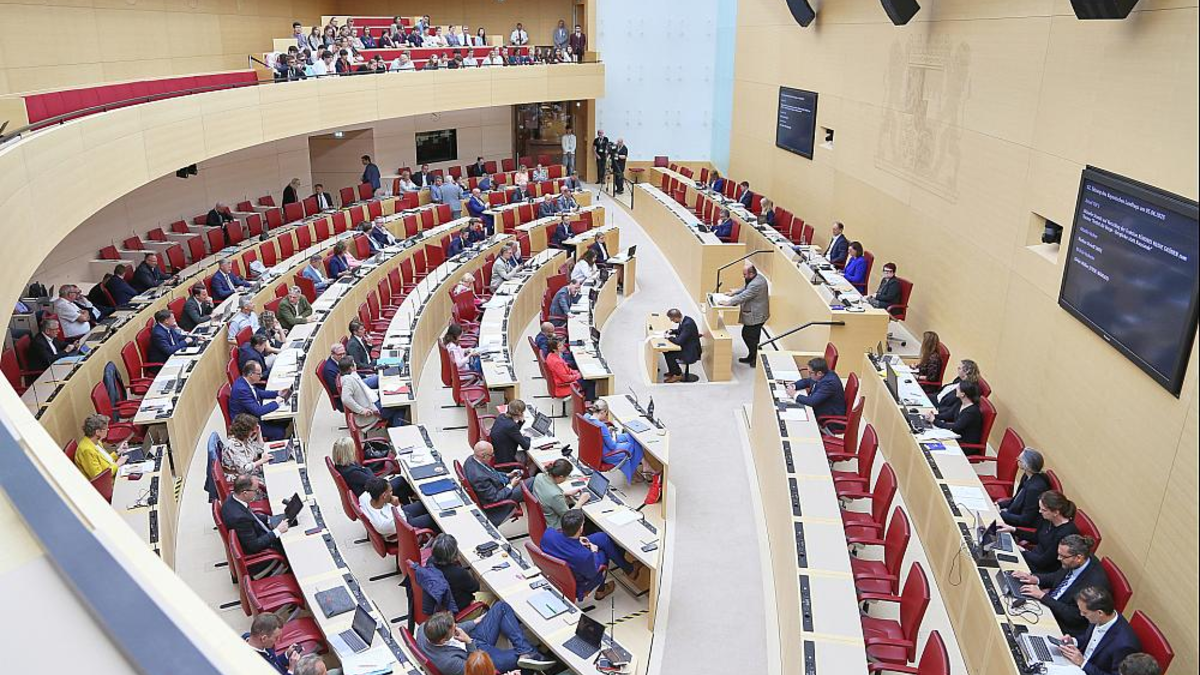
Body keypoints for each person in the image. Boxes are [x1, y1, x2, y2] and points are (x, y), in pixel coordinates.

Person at [1010, 534, 1107, 636]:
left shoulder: (1094, 585)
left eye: (1063, 556)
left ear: (1078, 558)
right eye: (1059, 554)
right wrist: (1035, 578)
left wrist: (1043, 597)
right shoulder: (1077, 561)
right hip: (1050, 605)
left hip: (1062, 625)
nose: (1058, 558)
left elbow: (1076, 617)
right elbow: (1057, 576)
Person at [416, 607, 555, 675]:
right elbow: (476, 668)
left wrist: (474, 622)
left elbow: (455, 628)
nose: (456, 628)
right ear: (442, 641)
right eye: (453, 629)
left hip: (472, 641)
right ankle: (529, 654)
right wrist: (469, 642)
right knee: (529, 652)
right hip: (479, 659)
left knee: (501, 607)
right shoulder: (449, 663)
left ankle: (526, 651)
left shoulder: (424, 628)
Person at [541, 509, 640, 600]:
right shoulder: (585, 556)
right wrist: (594, 552)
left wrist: (577, 539)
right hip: (578, 581)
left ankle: (628, 569)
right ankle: (601, 590)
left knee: (602, 538)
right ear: (581, 528)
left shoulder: (548, 534)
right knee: (603, 554)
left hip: (560, 564)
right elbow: (592, 573)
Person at [999, 490, 1080, 574]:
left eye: (1043, 510)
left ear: (1056, 512)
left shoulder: (1065, 534)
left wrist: (1023, 551)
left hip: (1041, 570)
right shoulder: (1048, 519)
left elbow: (1043, 562)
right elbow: (1036, 537)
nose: (1040, 512)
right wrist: (1013, 529)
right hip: (1033, 556)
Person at [583, 399, 651, 483]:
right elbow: (612, 446)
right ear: (604, 411)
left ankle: (643, 465)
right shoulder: (602, 426)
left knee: (631, 437)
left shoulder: (586, 417)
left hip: (597, 447)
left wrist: (608, 433)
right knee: (632, 445)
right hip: (606, 453)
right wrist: (612, 434)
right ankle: (633, 472)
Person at [420, 533, 488, 616]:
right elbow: (476, 587)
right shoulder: (459, 573)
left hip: (441, 608)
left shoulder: (430, 561)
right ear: (454, 554)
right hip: (460, 612)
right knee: (493, 596)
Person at [463, 441, 525, 526]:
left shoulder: (472, 459)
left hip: (499, 487)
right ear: (483, 456)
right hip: (500, 501)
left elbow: (492, 473)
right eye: (491, 455)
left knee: (526, 482)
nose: (493, 456)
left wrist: (508, 475)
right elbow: (495, 498)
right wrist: (511, 485)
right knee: (531, 482)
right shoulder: (479, 478)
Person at [230, 361, 291, 440]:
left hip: (252, 416)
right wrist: (276, 402)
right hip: (247, 425)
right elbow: (258, 411)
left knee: (284, 421)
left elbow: (259, 393)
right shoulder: (241, 390)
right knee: (279, 432)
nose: (261, 376)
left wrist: (278, 393)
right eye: (259, 374)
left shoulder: (244, 381)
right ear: (251, 375)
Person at [724, 263, 770, 366]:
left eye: (745, 275)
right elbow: (746, 288)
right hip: (758, 314)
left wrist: (729, 302)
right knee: (753, 336)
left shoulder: (756, 284)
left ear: (752, 273)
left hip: (757, 316)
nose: (744, 277)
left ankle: (755, 357)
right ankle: (753, 355)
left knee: (748, 335)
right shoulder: (755, 278)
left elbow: (744, 296)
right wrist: (734, 292)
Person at [359, 476, 436, 536]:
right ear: (384, 496)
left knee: (425, 505)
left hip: (396, 515)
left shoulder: (364, 498)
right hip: (403, 526)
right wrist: (397, 505)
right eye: (390, 491)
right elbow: (403, 523)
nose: (392, 493)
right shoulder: (384, 524)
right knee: (433, 518)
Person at [340, 356, 404, 428]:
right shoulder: (348, 381)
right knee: (400, 405)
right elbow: (345, 399)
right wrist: (362, 410)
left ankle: (393, 425)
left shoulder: (353, 375)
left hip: (374, 401)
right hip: (374, 409)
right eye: (354, 363)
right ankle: (397, 431)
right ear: (351, 367)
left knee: (394, 398)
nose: (356, 365)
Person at [923, 379, 984, 451]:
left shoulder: (971, 412)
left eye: (958, 389)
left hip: (965, 444)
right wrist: (933, 415)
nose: (955, 389)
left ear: (963, 394)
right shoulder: (961, 402)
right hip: (956, 436)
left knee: (929, 446)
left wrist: (934, 421)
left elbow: (956, 427)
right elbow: (948, 415)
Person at [998, 448, 1051, 528]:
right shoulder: (1027, 476)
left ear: (1027, 466)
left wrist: (1001, 513)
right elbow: (1016, 498)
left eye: (1019, 460)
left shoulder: (1035, 489)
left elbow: (1026, 519)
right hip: (1016, 512)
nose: (1017, 460)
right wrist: (999, 505)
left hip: (1023, 522)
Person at [532, 459, 590, 530]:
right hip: (556, 526)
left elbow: (545, 493)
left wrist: (564, 494)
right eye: (567, 476)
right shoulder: (555, 495)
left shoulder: (539, 476)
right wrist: (581, 501)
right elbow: (569, 517)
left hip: (544, 517)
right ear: (561, 477)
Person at [74, 414, 132, 480]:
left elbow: (104, 461)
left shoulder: (96, 442)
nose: (108, 430)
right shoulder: (86, 450)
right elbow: (99, 477)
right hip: (109, 483)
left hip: (114, 474)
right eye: (106, 429)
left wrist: (118, 452)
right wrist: (118, 464)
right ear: (98, 432)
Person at [221, 413, 269, 480]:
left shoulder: (244, 438)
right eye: (252, 430)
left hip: (249, 471)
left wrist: (259, 432)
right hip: (239, 478)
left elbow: (260, 449)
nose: (254, 431)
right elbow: (243, 469)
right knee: (269, 480)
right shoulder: (233, 446)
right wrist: (261, 461)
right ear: (245, 431)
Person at [663, 309, 701, 383]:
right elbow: (681, 331)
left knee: (669, 355)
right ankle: (673, 371)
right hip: (687, 347)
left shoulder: (688, 324)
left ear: (676, 317)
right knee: (666, 352)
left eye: (672, 319)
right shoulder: (684, 320)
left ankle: (677, 375)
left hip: (691, 352)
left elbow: (679, 341)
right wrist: (672, 331)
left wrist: (669, 337)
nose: (671, 321)